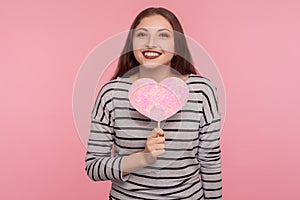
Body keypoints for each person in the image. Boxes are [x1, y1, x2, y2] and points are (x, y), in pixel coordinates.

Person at [85, 7, 222, 200]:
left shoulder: (202, 92)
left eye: (163, 35)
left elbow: (210, 162)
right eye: (142, 34)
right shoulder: (111, 94)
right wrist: (143, 158)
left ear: (177, 46)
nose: (151, 43)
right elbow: (94, 167)